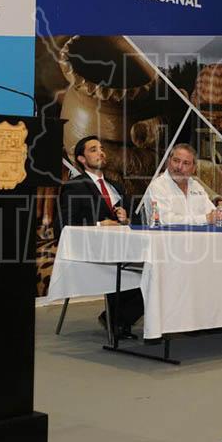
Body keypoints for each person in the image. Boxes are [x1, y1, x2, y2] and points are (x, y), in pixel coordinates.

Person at [54, 136, 141, 339]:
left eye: (101, 148)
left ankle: (117, 318)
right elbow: (64, 225)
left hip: (120, 249)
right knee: (124, 271)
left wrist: (126, 219)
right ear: (81, 159)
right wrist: (100, 225)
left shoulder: (116, 186)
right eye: (93, 150)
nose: (101, 152)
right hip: (91, 252)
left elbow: (136, 219)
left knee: (153, 274)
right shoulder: (75, 186)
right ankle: (117, 320)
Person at [142, 143, 221, 225]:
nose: (179, 167)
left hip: (197, 233)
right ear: (168, 162)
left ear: (194, 168)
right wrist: (205, 219)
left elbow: (211, 212)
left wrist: (218, 215)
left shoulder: (196, 186)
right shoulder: (158, 186)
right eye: (176, 161)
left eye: (186, 163)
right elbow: (165, 220)